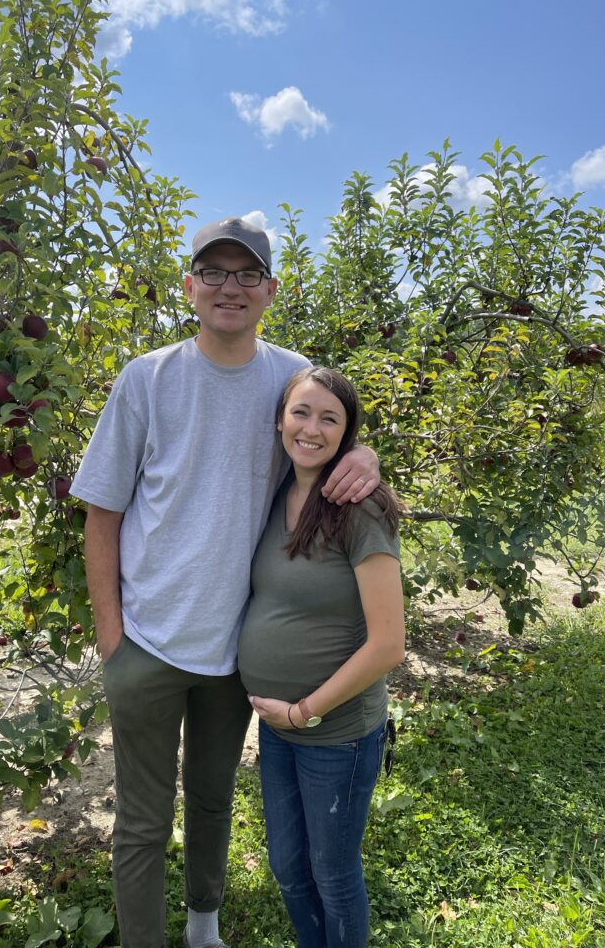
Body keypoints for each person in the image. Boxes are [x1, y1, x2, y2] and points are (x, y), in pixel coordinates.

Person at [69, 217, 381, 948]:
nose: (229, 287)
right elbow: (102, 514)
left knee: (212, 798)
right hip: (146, 644)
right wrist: (113, 640)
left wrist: (367, 457)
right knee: (143, 820)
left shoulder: (290, 377)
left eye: (247, 274)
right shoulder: (147, 378)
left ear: (270, 290)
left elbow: (329, 433)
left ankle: (203, 927)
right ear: (190, 286)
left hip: (233, 653)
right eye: (213, 272)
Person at [239, 366, 406, 948]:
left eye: (329, 418)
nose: (311, 429)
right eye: (301, 413)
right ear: (279, 420)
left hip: (336, 733)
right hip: (278, 727)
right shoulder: (273, 493)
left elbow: (389, 644)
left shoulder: (361, 507)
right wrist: (284, 718)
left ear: (348, 433)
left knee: (332, 875)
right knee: (288, 868)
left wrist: (303, 711)